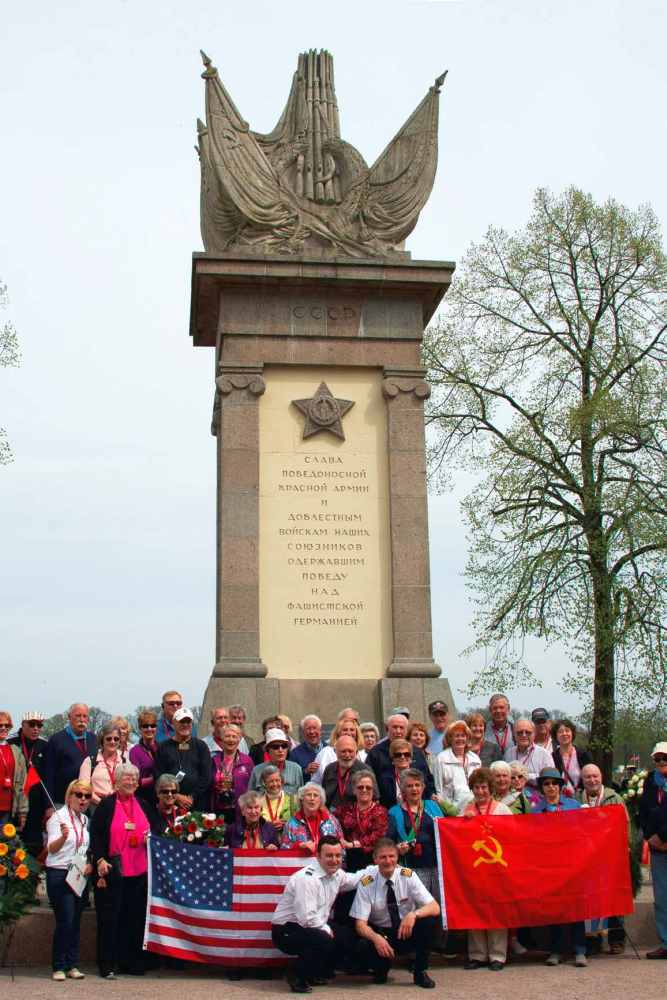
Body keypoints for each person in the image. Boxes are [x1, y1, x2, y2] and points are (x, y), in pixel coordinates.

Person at [272, 835, 367, 994]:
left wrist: (377, 870)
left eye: (338, 856)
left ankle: (316, 971)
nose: (334, 860)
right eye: (329, 855)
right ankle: (296, 974)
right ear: (318, 856)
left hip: (311, 925)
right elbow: (307, 918)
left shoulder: (337, 873)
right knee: (323, 938)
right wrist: (327, 930)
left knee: (346, 936)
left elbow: (355, 880)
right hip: (286, 930)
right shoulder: (307, 879)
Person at [351, 837, 440, 989]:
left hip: (405, 930)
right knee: (363, 943)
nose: (388, 861)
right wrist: (376, 938)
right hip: (383, 935)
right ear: (375, 859)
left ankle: (420, 971)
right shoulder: (367, 882)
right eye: (383, 857)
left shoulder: (408, 876)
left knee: (429, 921)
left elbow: (434, 907)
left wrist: (413, 915)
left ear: (397, 857)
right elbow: (360, 924)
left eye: (391, 856)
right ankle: (380, 969)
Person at [90, 763, 152, 978]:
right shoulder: (106, 805)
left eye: (135, 778)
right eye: (127, 778)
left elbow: (153, 832)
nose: (132, 782)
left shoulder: (144, 804)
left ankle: (131, 961)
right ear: (116, 781)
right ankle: (107, 964)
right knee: (110, 918)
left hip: (139, 871)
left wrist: (148, 839)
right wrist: (99, 859)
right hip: (113, 869)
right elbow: (96, 835)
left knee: (134, 918)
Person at [532, 767, 586, 967]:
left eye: (555, 783)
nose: (551, 787)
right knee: (554, 910)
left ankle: (580, 950)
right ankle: (556, 950)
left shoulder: (574, 806)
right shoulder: (537, 811)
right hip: (549, 867)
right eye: (546, 784)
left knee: (576, 909)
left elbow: (583, 833)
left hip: (572, 864)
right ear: (541, 788)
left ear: (561, 786)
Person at [461, 768, 511, 970]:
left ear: (490, 788)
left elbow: (513, 835)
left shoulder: (502, 810)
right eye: (476, 787)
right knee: (475, 907)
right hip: (475, 867)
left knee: (497, 909)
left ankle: (497, 955)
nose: (480, 791)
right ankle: (477, 954)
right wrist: (464, 822)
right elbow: (458, 837)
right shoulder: (466, 809)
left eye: (484, 787)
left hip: (497, 867)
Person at [577, 763, 629, 955]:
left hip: (610, 856)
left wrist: (624, 848)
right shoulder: (576, 798)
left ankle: (617, 939)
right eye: (588, 777)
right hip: (586, 858)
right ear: (582, 780)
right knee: (589, 900)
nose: (592, 780)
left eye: (595, 776)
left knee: (614, 897)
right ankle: (593, 940)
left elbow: (625, 825)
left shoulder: (615, 798)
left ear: (601, 778)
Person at [45, 778, 94, 981]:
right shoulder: (58, 817)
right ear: (70, 795)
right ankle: (59, 965)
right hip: (60, 873)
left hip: (79, 873)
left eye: (87, 796)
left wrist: (88, 862)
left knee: (75, 921)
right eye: (79, 795)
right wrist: (63, 837)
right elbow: (51, 849)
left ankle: (72, 964)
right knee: (65, 920)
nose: (83, 800)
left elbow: (83, 847)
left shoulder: (84, 820)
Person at [388, 769, 451, 904]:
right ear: (403, 789)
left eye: (417, 785)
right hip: (412, 867)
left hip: (436, 866)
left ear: (423, 787)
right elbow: (388, 844)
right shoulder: (394, 812)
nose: (414, 789)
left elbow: (447, 831)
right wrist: (398, 849)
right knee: (418, 907)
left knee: (439, 906)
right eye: (409, 786)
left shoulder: (432, 806)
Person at [639, 741, 667, 960]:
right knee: (662, 898)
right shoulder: (649, 782)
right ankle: (665, 942)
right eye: (657, 759)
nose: (661, 763)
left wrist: (664, 836)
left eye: (665, 758)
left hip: (665, 839)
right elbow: (645, 811)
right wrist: (650, 836)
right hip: (658, 848)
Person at [154, 707, 212, 811]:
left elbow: (206, 776)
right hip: (171, 802)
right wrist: (177, 796)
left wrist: (192, 797)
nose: (185, 725)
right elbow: (158, 775)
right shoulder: (163, 747)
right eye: (181, 722)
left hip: (197, 803)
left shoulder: (201, 746)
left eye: (188, 722)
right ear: (173, 723)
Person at [43, 704, 97, 810]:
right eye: (78, 716)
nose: (82, 720)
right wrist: (49, 806)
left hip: (87, 802)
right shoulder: (57, 740)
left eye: (85, 716)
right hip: (61, 802)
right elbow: (48, 774)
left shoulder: (93, 739)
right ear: (69, 717)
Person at [368, 716, 435, 802]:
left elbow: (428, 779)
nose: (398, 731)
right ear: (387, 729)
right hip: (387, 806)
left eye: (401, 728)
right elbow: (370, 780)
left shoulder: (417, 752)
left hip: (418, 806)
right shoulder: (375, 753)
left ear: (406, 730)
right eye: (395, 727)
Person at [9, 711, 47, 853]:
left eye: (39, 725)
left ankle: (32, 874)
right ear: (23, 725)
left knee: (34, 845)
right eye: (32, 724)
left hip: (36, 804)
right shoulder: (11, 742)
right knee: (12, 842)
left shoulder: (45, 745)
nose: (36, 728)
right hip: (14, 801)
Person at [337, 769, 388, 871]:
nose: (364, 790)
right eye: (360, 787)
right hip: (349, 860)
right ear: (354, 790)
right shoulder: (344, 810)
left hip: (372, 861)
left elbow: (377, 836)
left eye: (368, 787)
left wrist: (352, 844)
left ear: (373, 791)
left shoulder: (381, 811)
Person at [281, 782, 344, 853]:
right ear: (302, 800)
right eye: (308, 795)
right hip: (302, 862)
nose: (312, 798)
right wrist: (299, 846)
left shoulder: (332, 821)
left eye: (315, 795)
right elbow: (284, 848)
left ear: (320, 801)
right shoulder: (291, 823)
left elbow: (342, 847)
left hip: (327, 863)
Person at [208, 722, 253, 821]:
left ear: (240, 739)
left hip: (241, 812)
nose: (231, 739)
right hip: (217, 811)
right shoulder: (213, 760)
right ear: (222, 738)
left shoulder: (247, 761)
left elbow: (252, 787)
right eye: (227, 736)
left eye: (234, 736)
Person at [434, 721, 481, 812]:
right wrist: (445, 809)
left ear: (467, 738)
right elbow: (438, 789)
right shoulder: (441, 759)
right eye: (456, 736)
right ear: (450, 739)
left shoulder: (475, 759)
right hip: (450, 810)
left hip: (473, 809)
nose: (460, 739)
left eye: (463, 736)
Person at [79, 723, 124, 806]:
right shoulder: (90, 761)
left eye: (116, 739)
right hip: (96, 807)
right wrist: (102, 804)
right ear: (102, 740)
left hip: (120, 806)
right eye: (109, 739)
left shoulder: (125, 761)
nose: (112, 742)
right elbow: (83, 788)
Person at [249, 728, 304, 795]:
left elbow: (301, 796)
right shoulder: (257, 770)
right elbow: (250, 799)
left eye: (284, 746)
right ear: (267, 750)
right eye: (275, 747)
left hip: (290, 805)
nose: (280, 750)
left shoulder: (296, 769)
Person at [504, 718, 554, 792]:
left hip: (538, 798)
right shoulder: (508, 753)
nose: (524, 735)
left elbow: (550, 779)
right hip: (513, 798)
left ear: (534, 734)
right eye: (520, 732)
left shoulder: (544, 755)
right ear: (514, 734)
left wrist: (526, 776)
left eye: (528, 732)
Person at [321, 736, 367, 813]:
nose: (347, 755)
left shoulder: (365, 771)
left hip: (356, 817)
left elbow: (374, 799)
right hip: (332, 817)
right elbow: (323, 796)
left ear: (356, 752)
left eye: (350, 751)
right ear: (335, 752)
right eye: (343, 751)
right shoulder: (329, 769)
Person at [312, 719, 364, 784]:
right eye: (345, 730)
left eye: (352, 730)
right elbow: (316, 780)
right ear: (338, 733)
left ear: (356, 733)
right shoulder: (326, 752)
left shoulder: (363, 754)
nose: (348, 732)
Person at [0, 710, 28, 829]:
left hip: (8, 809)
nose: (4, 728)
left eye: (7, 725)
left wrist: (22, 811)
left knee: (4, 845)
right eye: (0, 725)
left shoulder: (16, 751)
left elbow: (22, 784)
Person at [551, 719, 591, 796]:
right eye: (560, 732)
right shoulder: (552, 757)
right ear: (555, 735)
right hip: (560, 799)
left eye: (567, 730)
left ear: (572, 733)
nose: (564, 734)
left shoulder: (583, 754)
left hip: (582, 797)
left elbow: (590, 775)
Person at [377, 739, 419, 809]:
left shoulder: (419, 777)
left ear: (411, 758)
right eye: (398, 755)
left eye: (406, 754)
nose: (402, 757)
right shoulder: (384, 780)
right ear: (392, 759)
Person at [129, 710, 159, 805]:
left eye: (153, 725)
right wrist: (155, 779)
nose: (149, 729)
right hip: (143, 798)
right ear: (140, 728)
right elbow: (136, 780)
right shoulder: (135, 751)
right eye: (145, 726)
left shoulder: (162, 748)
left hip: (163, 797)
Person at [259, 765, 295, 836]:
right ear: (264, 783)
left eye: (277, 780)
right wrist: (268, 826)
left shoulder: (293, 800)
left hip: (286, 842)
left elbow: (299, 824)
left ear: (282, 781)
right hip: (265, 843)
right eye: (271, 781)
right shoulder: (257, 801)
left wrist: (286, 825)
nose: (275, 784)